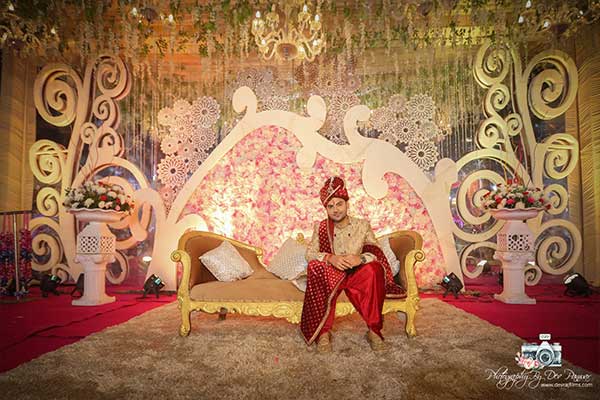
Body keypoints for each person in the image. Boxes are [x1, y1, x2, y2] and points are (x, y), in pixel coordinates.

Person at [300, 176, 406, 353]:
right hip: (332, 275)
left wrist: (361, 259)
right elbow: (310, 254)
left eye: (339, 204)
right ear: (326, 209)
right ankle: (323, 332)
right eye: (330, 206)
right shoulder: (321, 227)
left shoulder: (362, 225)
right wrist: (330, 258)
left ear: (347, 204)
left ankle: (373, 330)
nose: (335, 210)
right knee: (315, 267)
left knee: (374, 269)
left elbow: (376, 251)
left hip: (357, 273)